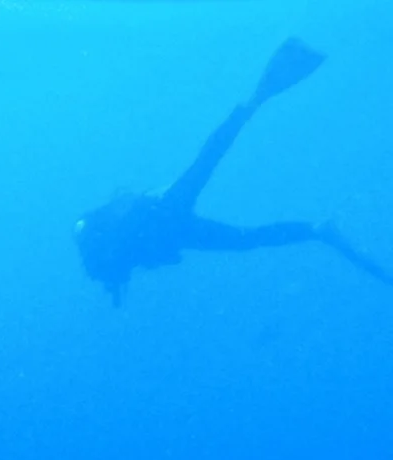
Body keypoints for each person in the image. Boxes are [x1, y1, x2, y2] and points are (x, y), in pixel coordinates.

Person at [75, 38, 393, 304]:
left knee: (211, 162)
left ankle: (257, 98)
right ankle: (316, 230)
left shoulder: (102, 248)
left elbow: (130, 229)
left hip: (165, 211)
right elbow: (141, 252)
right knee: (235, 218)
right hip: (175, 225)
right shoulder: (107, 257)